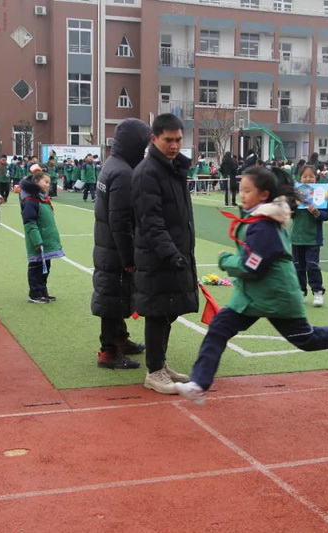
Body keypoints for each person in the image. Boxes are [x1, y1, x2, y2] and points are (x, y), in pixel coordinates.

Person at [174, 167, 328, 405]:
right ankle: (199, 384)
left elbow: (254, 266)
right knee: (219, 327)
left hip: (278, 296)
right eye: (241, 189)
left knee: (307, 340)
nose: (242, 195)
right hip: (252, 297)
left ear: (264, 195)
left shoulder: (264, 225)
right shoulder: (256, 218)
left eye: (248, 190)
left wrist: (226, 261)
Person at [131, 113, 196, 394]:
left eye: (178, 139)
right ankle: (154, 371)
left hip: (175, 251)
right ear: (154, 138)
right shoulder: (147, 172)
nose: (174, 145)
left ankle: (161, 363)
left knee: (169, 310)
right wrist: (171, 253)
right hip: (157, 255)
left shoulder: (173, 168)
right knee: (157, 312)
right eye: (168, 140)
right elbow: (151, 221)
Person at [92, 118, 151, 370]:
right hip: (115, 248)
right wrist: (129, 257)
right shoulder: (123, 173)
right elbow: (120, 221)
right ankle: (109, 351)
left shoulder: (112, 164)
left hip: (107, 244)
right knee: (113, 298)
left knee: (115, 295)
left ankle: (120, 339)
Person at [20, 172, 64, 303]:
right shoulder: (30, 201)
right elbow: (30, 223)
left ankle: (43, 291)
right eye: (45, 182)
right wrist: (37, 241)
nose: (48, 185)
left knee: (45, 267)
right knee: (36, 268)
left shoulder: (43, 199)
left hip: (46, 241)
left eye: (49, 182)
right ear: (36, 181)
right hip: (38, 242)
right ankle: (35, 294)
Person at [292, 165, 328, 307]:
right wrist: (292, 208)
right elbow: (288, 213)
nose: (308, 179)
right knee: (298, 267)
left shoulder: (320, 195)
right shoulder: (295, 195)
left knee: (312, 266)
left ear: (316, 178)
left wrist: (317, 213)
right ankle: (300, 292)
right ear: (299, 178)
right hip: (297, 237)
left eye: (311, 176)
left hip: (313, 238)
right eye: (305, 176)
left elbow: (327, 215)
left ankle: (318, 292)